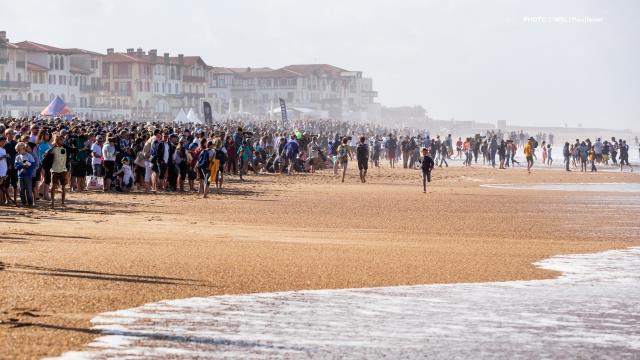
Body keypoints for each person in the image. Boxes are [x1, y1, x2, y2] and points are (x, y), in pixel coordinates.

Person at [49, 134, 68, 208]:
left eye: (62, 139)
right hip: (54, 170)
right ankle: (52, 202)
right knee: (53, 186)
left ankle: (63, 203)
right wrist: (53, 145)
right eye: (60, 139)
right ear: (57, 140)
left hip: (63, 170)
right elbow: (47, 154)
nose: (62, 141)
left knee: (63, 187)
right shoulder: (53, 149)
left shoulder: (65, 148)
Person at [15, 142, 36, 207]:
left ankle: (30, 203)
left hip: (28, 176)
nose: (18, 152)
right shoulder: (18, 157)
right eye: (17, 150)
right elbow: (16, 166)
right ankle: (23, 203)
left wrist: (27, 164)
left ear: (23, 148)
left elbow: (33, 165)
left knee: (29, 190)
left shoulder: (29, 155)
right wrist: (22, 165)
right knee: (21, 190)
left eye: (19, 150)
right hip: (20, 176)